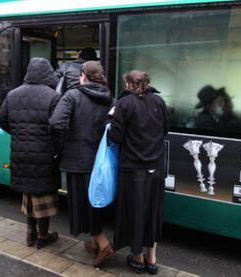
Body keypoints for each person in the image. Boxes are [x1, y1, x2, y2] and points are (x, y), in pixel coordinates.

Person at [49, 61, 114, 267]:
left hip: (78, 160)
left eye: (80, 74)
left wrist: (61, 146)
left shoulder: (73, 95)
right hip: (101, 161)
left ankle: (103, 244)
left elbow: (56, 123)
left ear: (84, 76)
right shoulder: (110, 99)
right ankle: (94, 244)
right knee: (95, 202)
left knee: (83, 206)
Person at [108, 70, 169, 275]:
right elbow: (165, 131)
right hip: (156, 168)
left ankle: (137, 257)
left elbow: (116, 137)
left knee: (136, 213)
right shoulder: (159, 102)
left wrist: (110, 121)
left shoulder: (124, 104)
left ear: (127, 85)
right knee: (153, 212)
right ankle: (152, 259)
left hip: (133, 169)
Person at [0, 58, 60, 249]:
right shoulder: (53, 96)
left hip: (20, 153)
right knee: (44, 196)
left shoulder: (13, 94)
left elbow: (1, 120)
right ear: (48, 74)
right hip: (44, 154)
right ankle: (42, 237)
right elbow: (58, 127)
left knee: (29, 194)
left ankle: (30, 234)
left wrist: (18, 133)